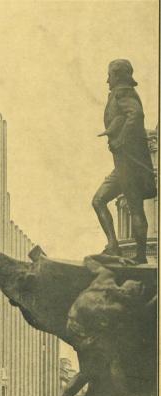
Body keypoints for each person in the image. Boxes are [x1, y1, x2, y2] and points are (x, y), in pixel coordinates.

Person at [93, 59, 156, 264]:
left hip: (129, 165)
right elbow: (121, 118)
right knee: (99, 200)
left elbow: (135, 114)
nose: (107, 80)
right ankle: (114, 246)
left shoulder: (124, 92)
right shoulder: (119, 94)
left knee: (134, 207)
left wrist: (120, 139)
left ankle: (139, 256)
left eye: (109, 75)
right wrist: (112, 131)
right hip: (121, 166)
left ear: (118, 75)